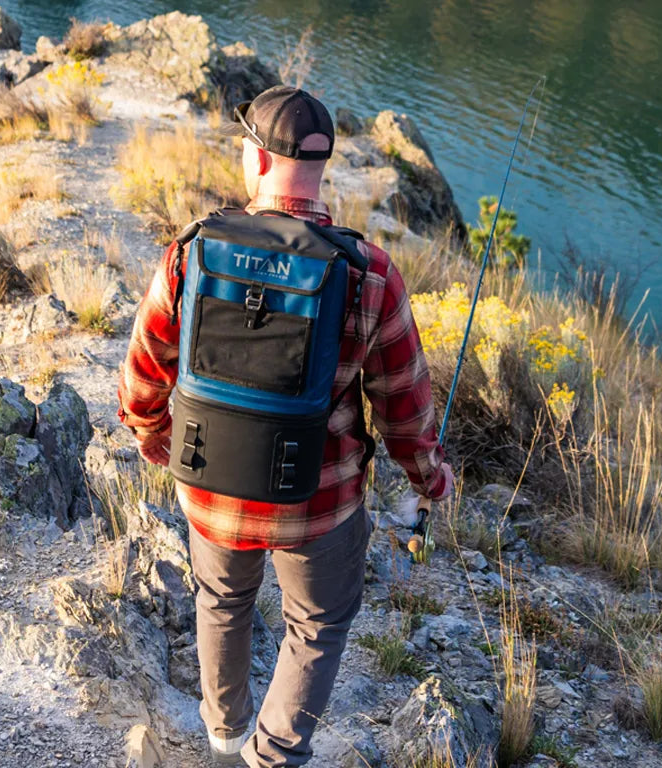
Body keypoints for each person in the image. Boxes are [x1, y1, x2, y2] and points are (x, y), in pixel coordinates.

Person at [118, 85, 453, 768]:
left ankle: (223, 738)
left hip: (210, 485)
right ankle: (272, 757)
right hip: (318, 502)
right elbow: (405, 410)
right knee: (318, 625)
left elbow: (142, 375)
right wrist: (430, 480)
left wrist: (157, 437)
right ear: (321, 167)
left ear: (258, 158)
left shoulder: (191, 252)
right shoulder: (369, 274)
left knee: (221, 600)